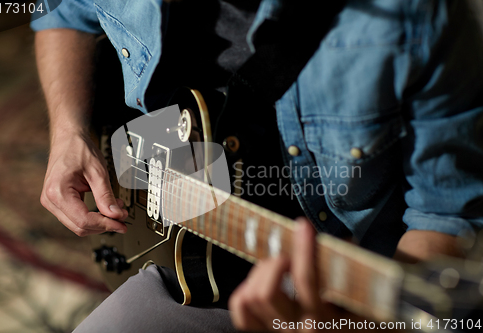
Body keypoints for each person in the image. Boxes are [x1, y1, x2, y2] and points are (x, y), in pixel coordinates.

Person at [31, 0, 483, 332]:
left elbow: (445, 214)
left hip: (351, 292)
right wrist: (68, 130)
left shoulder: (415, 16)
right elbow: (62, 13)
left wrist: (348, 323)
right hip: (185, 259)